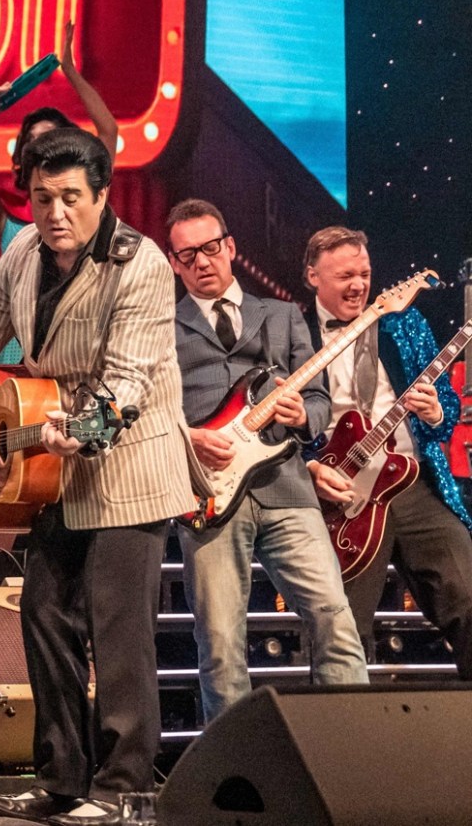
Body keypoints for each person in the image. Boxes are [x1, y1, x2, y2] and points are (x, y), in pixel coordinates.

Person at [0, 128, 196, 826]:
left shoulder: (140, 263)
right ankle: (61, 781)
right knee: (43, 617)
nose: (55, 213)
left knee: (119, 635)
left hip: (128, 465)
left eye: (71, 198)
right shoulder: (23, 250)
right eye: (43, 197)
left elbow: (129, 381)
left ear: (102, 195)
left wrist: (83, 429)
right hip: (51, 471)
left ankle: (124, 789)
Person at [164, 199, 366, 724]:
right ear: (175, 264)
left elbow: (319, 401)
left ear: (230, 247)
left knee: (333, 617)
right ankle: (235, 764)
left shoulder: (282, 315)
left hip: (286, 488)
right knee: (219, 641)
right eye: (187, 255)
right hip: (206, 494)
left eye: (211, 247)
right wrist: (187, 438)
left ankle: (352, 745)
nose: (202, 261)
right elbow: (150, 414)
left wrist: (303, 416)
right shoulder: (161, 327)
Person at [302, 226, 472, 680]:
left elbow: (447, 407)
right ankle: (343, 724)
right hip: (343, 497)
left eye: (364, 273)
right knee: (342, 631)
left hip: (411, 483)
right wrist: (311, 469)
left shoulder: (404, 323)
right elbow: (283, 426)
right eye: (345, 276)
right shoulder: (294, 332)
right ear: (313, 275)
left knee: (468, 593)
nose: (358, 285)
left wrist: (436, 412)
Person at [0, 21, 117, 363]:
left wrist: (71, 73)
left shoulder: (85, 196)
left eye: (51, 139)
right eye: (34, 141)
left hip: (65, 342)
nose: (42, 148)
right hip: (11, 344)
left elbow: (108, 131)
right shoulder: (4, 205)